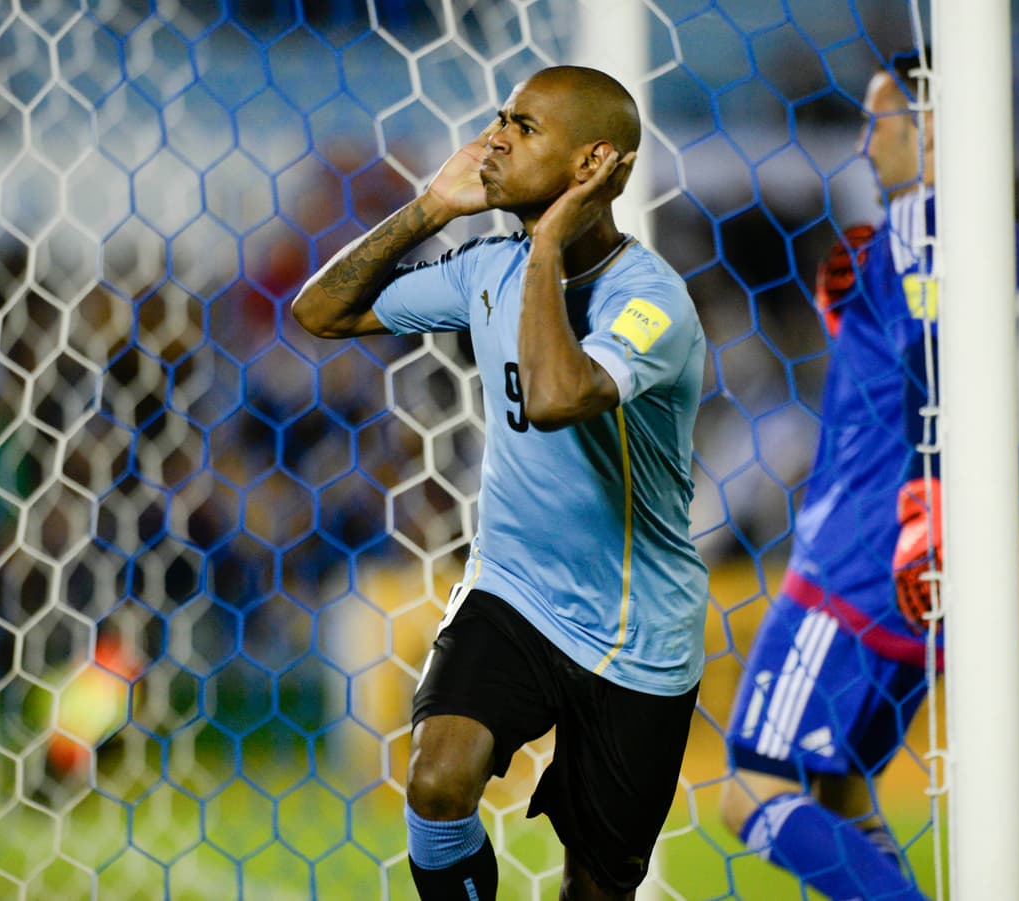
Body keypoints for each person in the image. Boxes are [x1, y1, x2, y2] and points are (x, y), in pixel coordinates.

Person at [292, 66, 709, 901]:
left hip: (638, 631)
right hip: (513, 590)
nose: (495, 139)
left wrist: (550, 244)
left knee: (597, 888)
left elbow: (558, 398)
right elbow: (321, 311)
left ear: (595, 163)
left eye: (523, 126)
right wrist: (431, 210)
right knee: (438, 780)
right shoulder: (487, 266)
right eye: (499, 119)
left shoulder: (650, 302)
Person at [719, 51, 1019, 900]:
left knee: (752, 785)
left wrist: (925, 508)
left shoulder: (931, 231)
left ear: (932, 123)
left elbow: (930, 373)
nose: (865, 144)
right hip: (926, 560)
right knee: (842, 786)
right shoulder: (989, 235)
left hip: (863, 557)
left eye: (880, 119)